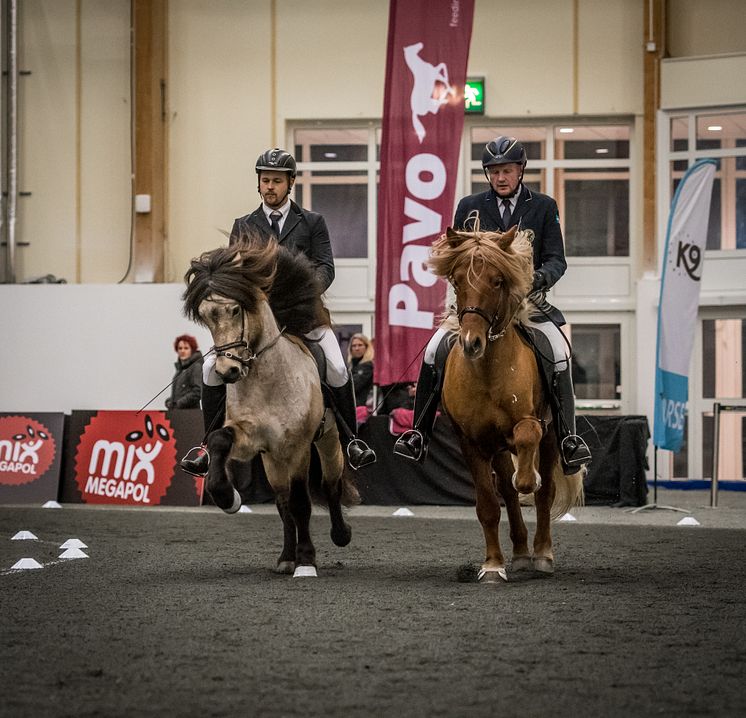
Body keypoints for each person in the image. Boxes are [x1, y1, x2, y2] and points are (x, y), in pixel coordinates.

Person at [394, 135, 592, 474]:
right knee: (432, 351)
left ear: (520, 171)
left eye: (507, 170)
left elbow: (557, 260)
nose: (500, 178)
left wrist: (535, 281)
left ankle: (569, 438)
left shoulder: (543, 206)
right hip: (480, 307)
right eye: (494, 171)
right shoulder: (469, 206)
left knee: (559, 351)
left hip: (526, 304)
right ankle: (419, 433)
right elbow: (455, 254)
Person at [181, 148, 376, 475]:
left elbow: (326, 268)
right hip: (255, 322)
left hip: (303, 316)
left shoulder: (312, 222)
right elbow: (232, 275)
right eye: (265, 180)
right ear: (259, 184)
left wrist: (302, 293)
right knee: (209, 369)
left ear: (290, 184)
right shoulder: (244, 225)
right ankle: (205, 445)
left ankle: (352, 439)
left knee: (339, 367)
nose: (270, 186)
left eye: (276, 181)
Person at [165, 334, 203, 410]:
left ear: (192, 350)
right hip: (178, 414)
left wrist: (179, 403)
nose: (182, 351)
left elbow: (198, 391)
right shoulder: (179, 370)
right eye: (180, 348)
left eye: (186, 348)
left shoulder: (196, 367)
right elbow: (181, 392)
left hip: (190, 415)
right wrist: (170, 401)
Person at [347, 333, 374, 409]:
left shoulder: (368, 365)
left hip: (363, 409)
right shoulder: (351, 367)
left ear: (367, 347)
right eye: (354, 346)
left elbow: (353, 386)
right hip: (353, 407)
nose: (357, 348)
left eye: (360, 345)